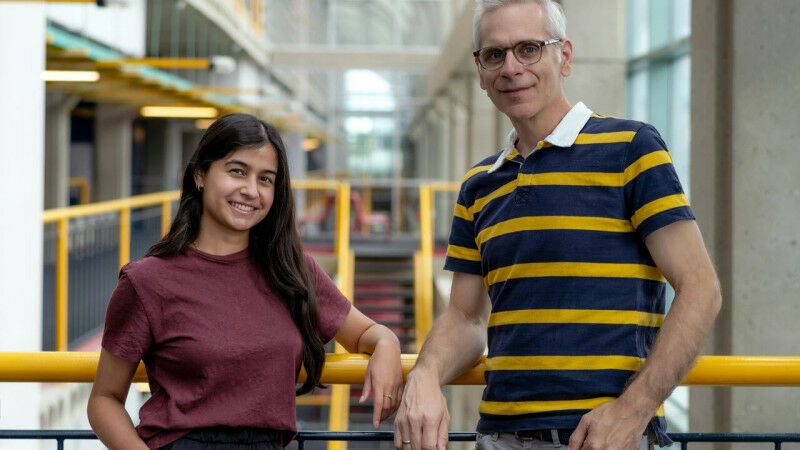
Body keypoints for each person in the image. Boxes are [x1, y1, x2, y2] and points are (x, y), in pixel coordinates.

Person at [394, 1, 721, 449]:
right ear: (480, 72)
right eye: (494, 55)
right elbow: (466, 317)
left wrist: (633, 410)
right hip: (499, 437)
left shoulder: (631, 149)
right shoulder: (479, 184)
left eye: (528, 49)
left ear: (564, 57)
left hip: (602, 439)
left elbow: (701, 288)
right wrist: (425, 375)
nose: (511, 68)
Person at [87, 113, 403, 449]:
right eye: (237, 171)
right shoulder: (147, 281)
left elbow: (368, 333)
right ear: (200, 174)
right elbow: (104, 400)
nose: (251, 190)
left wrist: (388, 345)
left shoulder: (292, 271)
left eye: (266, 179)